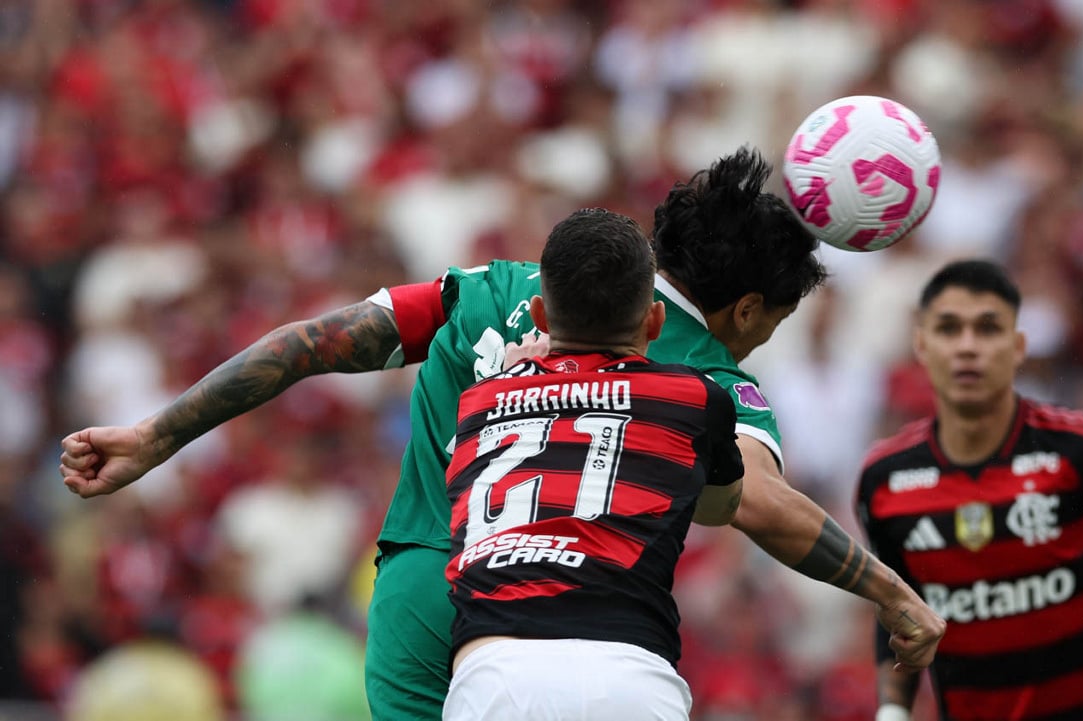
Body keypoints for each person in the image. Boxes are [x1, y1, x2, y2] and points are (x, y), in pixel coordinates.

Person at [61, 146, 944, 720]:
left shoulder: (503, 287)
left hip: (419, 596)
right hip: (571, 619)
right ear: (748, 307)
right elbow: (758, 501)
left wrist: (158, 434)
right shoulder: (717, 380)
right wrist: (888, 589)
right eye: (773, 323)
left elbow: (310, 344)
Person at [854, 259, 1083, 721]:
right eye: (949, 329)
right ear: (922, 347)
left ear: (1018, 347)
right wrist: (892, 711)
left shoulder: (1081, 450)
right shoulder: (885, 482)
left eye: (987, 328)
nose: (967, 347)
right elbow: (895, 603)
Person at [442, 208, 744, 720]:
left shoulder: (477, 402)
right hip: (629, 677)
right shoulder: (695, 397)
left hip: (495, 676)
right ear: (655, 320)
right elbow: (721, 507)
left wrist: (517, 377)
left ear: (540, 316)